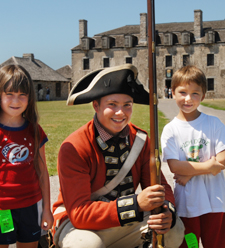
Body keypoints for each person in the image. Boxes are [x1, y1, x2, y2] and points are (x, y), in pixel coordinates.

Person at [52, 64, 184, 248]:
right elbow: (80, 213)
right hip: (79, 225)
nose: (120, 112)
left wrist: (165, 211)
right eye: (112, 105)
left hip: (125, 221)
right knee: (86, 245)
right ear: (96, 106)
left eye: (127, 105)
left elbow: (159, 185)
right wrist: (136, 203)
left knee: (173, 230)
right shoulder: (74, 146)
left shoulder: (141, 140)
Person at [0, 65, 53, 247]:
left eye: (22, 95)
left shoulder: (34, 130)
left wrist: (46, 209)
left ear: (29, 98)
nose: (16, 100)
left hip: (31, 208)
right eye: (9, 94)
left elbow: (42, 173)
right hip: (1, 211)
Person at [161, 65, 225, 248]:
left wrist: (190, 173)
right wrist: (209, 166)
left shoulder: (213, 123)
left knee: (217, 243)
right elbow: (175, 167)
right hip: (188, 203)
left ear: (203, 95)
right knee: (189, 244)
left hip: (214, 200)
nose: (189, 98)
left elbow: (223, 159)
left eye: (195, 93)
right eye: (183, 92)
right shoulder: (171, 130)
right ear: (172, 93)